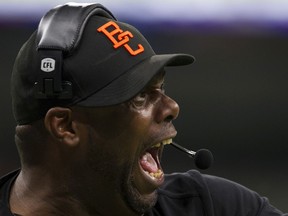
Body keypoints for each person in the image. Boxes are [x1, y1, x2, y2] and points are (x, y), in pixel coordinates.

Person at [0, 2, 286, 216]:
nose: (171, 107)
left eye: (161, 89)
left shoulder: (206, 205)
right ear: (65, 126)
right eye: (139, 97)